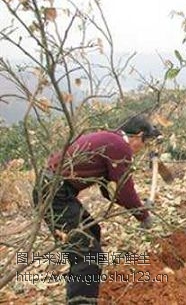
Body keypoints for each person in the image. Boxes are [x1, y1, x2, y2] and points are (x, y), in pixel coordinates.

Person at [33, 115, 160, 304]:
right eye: (145, 142)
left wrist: (138, 206)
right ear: (138, 135)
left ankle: (81, 292)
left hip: (55, 191)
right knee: (88, 255)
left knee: (92, 233)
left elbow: (109, 190)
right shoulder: (119, 145)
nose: (142, 148)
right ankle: (81, 301)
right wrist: (143, 215)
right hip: (55, 195)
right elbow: (124, 189)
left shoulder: (109, 140)